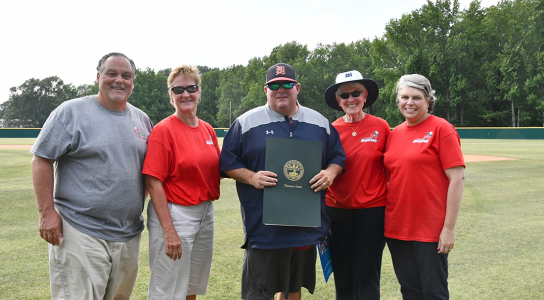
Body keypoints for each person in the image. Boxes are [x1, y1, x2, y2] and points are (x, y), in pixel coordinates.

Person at [30, 52, 153, 299]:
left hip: (128, 234)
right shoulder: (71, 112)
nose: (119, 80)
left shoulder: (142, 119)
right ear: (98, 77)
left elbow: (147, 172)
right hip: (80, 231)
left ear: (132, 82)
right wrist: (47, 213)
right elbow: (41, 160)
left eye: (126, 76)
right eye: (112, 74)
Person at [219, 63, 346, 300]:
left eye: (287, 84)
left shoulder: (319, 123)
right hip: (264, 229)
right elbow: (226, 163)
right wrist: (252, 177)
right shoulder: (246, 122)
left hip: (304, 226)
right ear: (265, 90)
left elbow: (337, 157)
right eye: (274, 86)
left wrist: (330, 172)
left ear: (297, 88)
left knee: (293, 288)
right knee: (258, 292)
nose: (281, 90)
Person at [384, 74, 466, 299]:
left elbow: (457, 179)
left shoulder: (442, 128)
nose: (409, 102)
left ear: (428, 101)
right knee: (409, 291)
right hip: (397, 228)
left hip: (430, 231)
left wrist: (448, 229)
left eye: (416, 98)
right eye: (404, 97)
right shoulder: (394, 133)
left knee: (433, 292)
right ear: (398, 100)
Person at [142, 65, 220, 300]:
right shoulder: (163, 130)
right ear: (171, 95)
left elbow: (218, 170)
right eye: (178, 89)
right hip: (176, 214)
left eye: (191, 88)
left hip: (205, 213)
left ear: (199, 92)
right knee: (167, 290)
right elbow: (153, 182)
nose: (185, 94)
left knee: (191, 287)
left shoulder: (207, 129)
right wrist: (169, 231)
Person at [323, 70, 390, 299]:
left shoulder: (381, 127)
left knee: (368, 274)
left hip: (372, 212)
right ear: (338, 101)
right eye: (345, 95)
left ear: (365, 96)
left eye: (356, 93)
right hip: (337, 211)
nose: (351, 99)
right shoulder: (330, 130)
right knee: (342, 274)